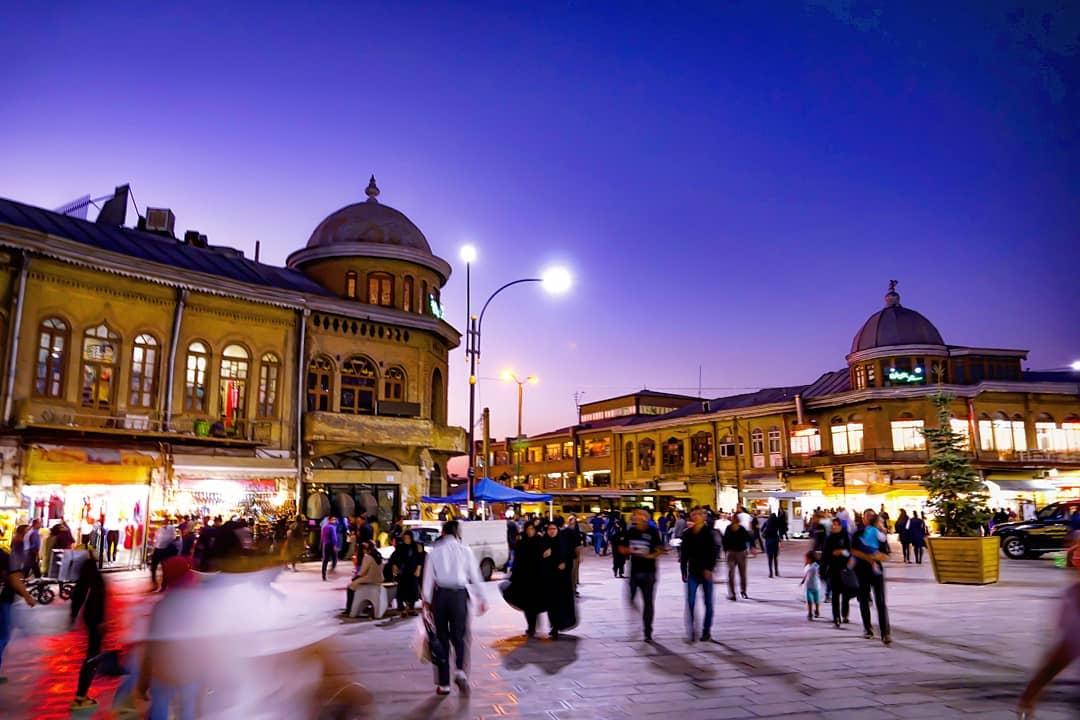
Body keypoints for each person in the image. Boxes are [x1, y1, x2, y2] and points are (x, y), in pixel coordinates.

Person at [1018, 532, 1080, 718]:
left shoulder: (1071, 598)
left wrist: (1031, 693)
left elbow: (1062, 654)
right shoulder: (1071, 599)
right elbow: (1064, 652)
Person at [421, 520, 486, 695]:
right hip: (459, 596)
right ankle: (460, 670)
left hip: (440, 596)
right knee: (460, 636)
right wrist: (482, 597)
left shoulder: (434, 552)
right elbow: (475, 575)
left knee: (441, 638)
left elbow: (428, 578)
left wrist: (426, 601)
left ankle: (444, 685)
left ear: (443, 533)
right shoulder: (465, 550)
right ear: (457, 532)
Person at [69, 547, 107, 710]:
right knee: (92, 658)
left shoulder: (84, 577)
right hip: (94, 622)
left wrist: (73, 616)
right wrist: (100, 622)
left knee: (91, 657)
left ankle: (81, 695)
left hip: (88, 621)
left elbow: (77, 599)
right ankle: (80, 697)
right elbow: (97, 602)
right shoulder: (95, 578)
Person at [0, 534, 38, 682]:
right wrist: (27, 596)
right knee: (2, 636)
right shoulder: (4, 556)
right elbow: (14, 578)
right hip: (2, 601)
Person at [621, 508, 662, 642]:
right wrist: (627, 550)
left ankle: (647, 631)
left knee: (648, 602)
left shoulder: (652, 532)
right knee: (630, 598)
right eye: (634, 515)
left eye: (637, 515)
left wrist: (651, 556)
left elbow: (659, 549)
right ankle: (639, 617)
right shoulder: (631, 531)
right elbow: (622, 547)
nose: (635, 517)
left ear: (645, 518)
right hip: (634, 572)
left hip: (649, 572)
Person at [852, 509, 891, 644]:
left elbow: (886, 555)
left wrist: (877, 556)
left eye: (872, 516)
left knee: (880, 601)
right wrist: (869, 557)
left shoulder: (880, 535)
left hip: (876, 572)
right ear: (863, 519)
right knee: (863, 601)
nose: (869, 518)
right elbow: (853, 551)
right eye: (867, 516)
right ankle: (867, 629)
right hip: (861, 571)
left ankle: (885, 632)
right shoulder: (858, 534)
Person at [679, 508, 718, 642]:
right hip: (693, 572)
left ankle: (706, 631)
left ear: (704, 517)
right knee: (690, 601)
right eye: (693, 514)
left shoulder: (710, 533)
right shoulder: (687, 534)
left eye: (699, 514)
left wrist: (709, 569)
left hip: (706, 572)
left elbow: (714, 553)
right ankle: (691, 630)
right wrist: (683, 571)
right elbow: (684, 555)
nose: (696, 516)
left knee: (708, 603)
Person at [504, 522, 545, 637]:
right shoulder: (521, 542)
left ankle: (534, 625)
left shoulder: (540, 541)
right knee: (527, 604)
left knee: (535, 603)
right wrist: (514, 573)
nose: (530, 531)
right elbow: (517, 559)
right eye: (528, 529)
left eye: (532, 529)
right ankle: (531, 627)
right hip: (524, 578)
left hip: (537, 577)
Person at [542, 522, 577, 639]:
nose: (552, 531)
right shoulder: (544, 542)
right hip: (549, 578)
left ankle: (557, 626)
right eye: (549, 529)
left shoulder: (562, 541)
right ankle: (554, 625)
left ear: (557, 530)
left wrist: (565, 563)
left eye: (554, 529)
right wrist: (544, 556)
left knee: (560, 603)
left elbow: (569, 556)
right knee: (551, 604)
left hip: (561, 579)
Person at [823, 517, 852, 627]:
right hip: (833, 570)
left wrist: (841, 552)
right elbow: (825, 555)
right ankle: (836, 618)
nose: (834, 527)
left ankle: (845, 614)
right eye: (832, 525)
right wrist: (823, 570)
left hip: (844, 569)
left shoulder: (846, 537)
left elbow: (850, 552)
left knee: (845, 594)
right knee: (835, 595)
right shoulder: (829, 538)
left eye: (836, 524)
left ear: (840, 526)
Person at [389, 531, 423, 616]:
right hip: (403, 572)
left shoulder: (416, 547)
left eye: (408, 538)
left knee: (413, 590)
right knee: (402, 590)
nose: (406, 540)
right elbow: (394, 558)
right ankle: (402, 609)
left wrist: (418, 569)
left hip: (412, 571)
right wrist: (395, 566)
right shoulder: (400, 547)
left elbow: (420, 558)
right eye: (405, 538)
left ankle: (411, 608)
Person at [345, 541, 382, 615]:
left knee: (350, 587)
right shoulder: (378, 555)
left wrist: (355, 578)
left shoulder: (367, 557)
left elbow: (362, 572)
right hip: (379, 578)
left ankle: (350, 608)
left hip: (369, 579)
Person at [722, 514, 751, 600]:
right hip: (740, 553)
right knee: (742, 573)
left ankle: (732, 594)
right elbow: (748, 538)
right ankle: (743, 591)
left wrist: (725, 550)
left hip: (731, 553)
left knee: (731, 574)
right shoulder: (741, 529)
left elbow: (725, 540)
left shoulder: (729, 528)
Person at [150, 520, 178, 591]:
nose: (163, 523)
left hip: (165, 550)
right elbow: (156, 539)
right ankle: (154, 582)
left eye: (165, 522)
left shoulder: (171, 528)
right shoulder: (160, 529)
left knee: (165, 568)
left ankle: (163, 585)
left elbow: (172, 537)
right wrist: (154, 547)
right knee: (153, 566)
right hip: (158, 549)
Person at [562, 516, 585, 596]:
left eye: (574, 520)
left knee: (574, 573)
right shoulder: (565, 531)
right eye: (571, 520)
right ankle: (571, 590)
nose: (573, 521)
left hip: (573, 554)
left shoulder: (576, 530)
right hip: (568, 555)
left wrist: (579, 555)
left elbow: (578, 544)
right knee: (570, 573)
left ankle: (574, 589)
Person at [799, 549, 822, 621]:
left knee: (816, 600)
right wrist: (803, 581)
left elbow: (820, 574)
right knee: (809, 601)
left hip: (816, 586)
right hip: (809, 587)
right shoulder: (807, 566)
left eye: (806, 558)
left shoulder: (816, 566)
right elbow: (806, 575)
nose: (805, 560)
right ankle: (810, 613)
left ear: (811, 559)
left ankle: (817, 610)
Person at [762, 513, 781, 578]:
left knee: (770, 558)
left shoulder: (766, 522)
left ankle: (770, 573)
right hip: (775, 541)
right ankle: (776, 572)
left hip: (768, 542)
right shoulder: (777, 523)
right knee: (775, 557)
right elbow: (779, 532)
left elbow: (762, 530)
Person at [320, 516, 338, 581]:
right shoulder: (332, 527)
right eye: (333, 519)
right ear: (329, 520)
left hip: (325, 544)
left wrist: (322, 543)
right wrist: (334, 545)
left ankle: (323, 574)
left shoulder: (324, 527)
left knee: (325, 560)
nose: (335, 520)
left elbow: (322, 536)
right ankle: (332, 570)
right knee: (334, 558)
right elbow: (334, 537)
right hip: (331, 545)